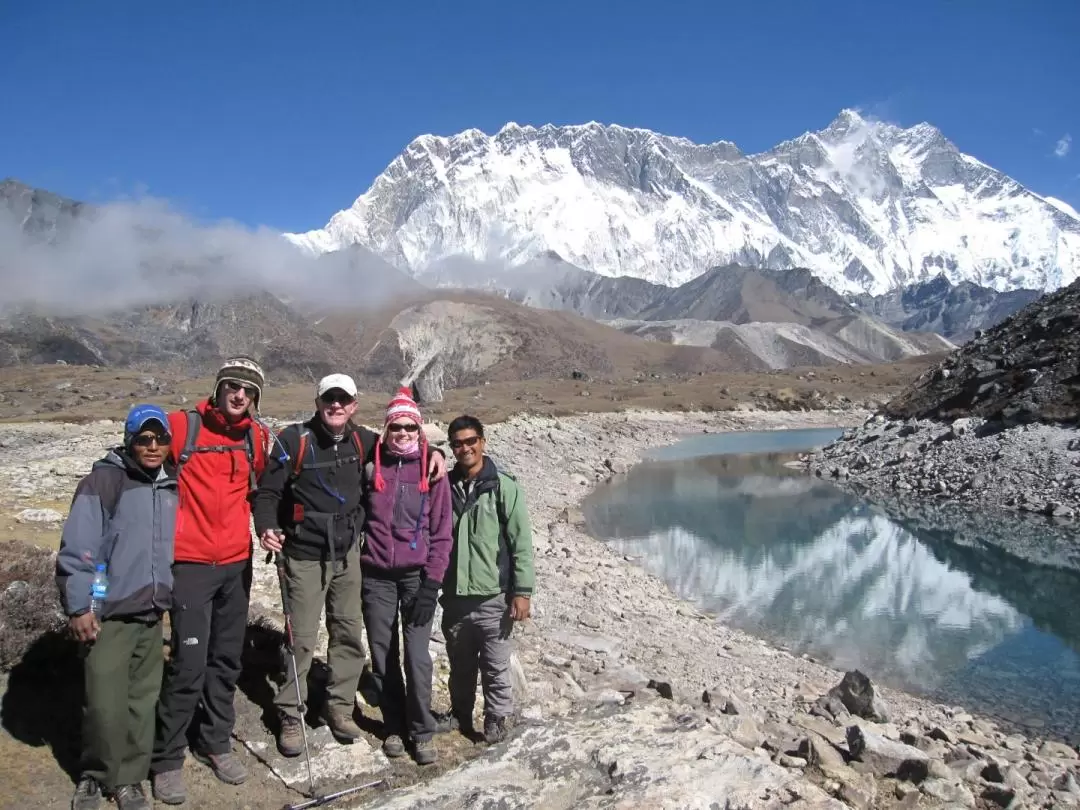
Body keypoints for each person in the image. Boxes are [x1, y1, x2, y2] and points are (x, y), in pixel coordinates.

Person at [251, 373, 446, 756]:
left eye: (344, 400)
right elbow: (268, 491)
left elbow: (407, 445)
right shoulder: (295, 441)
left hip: (348, 556)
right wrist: (267, 526)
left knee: (347, 634)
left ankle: (339, 708)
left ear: (354, 405)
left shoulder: (365, 441)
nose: (336, 405)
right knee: (302, 637)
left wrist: (435, 452)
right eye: (330, 399)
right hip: (305, 554)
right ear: (319, 401)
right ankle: (292, 712)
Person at [150, 357, 272, 806]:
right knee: (188, 663)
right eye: (233, 386)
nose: (239, 395)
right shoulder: (183, 427)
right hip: (191, 565)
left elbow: (264, 490)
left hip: (236, 563)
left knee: (225, 659)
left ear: (256, 400)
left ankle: (216, 743)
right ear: (219, 388)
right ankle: (166, 759)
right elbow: (139, 455)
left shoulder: (255, 438)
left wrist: (267, 525)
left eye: (249, 391)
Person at [57, 404, 178, 810]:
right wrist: (80, 607)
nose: (153, 445)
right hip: (107, 614)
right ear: (130, 440)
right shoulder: (104, 481)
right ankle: (94, 776)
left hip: (151, 612)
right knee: (104, 703)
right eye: (144, 438)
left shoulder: (169, 485)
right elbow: (79, 549)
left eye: (160, 438)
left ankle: (129, 779)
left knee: (142, 703)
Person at [360, 387, 453, 765]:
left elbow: (443, 531)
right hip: (377, 576)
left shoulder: (432, 469)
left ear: (419, 429)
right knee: (383, 655)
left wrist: (432, 583)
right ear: (386, 428)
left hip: (417, 578)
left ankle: (422, 729)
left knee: (417, 658)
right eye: (395, 426)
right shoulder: (371, 465)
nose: (402, 433)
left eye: (409, 427)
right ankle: (394, 726)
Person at [438, 415, 535, 744]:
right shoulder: (445, 486)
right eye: (457, 443)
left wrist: (522, 592)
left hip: (494, 596)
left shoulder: (504, 487)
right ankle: (460, 713)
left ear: (483, 442)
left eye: (470, 441)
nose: (464, 448)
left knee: (495, 665)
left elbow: (521, 543)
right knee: (460, 664)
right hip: (454, 596)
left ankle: (497, 718)